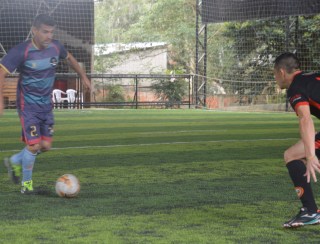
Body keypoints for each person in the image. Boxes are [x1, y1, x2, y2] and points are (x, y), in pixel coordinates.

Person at [0, 14, 91, 194]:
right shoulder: (21, 51)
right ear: (34, 31)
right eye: (45, 32)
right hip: (28, 106)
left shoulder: (56, 47)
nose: (49, 36)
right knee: (34, 145)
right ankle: (26, 186)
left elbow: (71, 59)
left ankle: (14, 161)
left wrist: (84, 76)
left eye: (51, 32)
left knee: (45, 146)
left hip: (46, 105)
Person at [274, 52, 320, 228]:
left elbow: (305, 119)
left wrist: (310, 156)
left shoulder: (295, 87)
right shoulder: (312, 77)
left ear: (282, 72)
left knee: (292, 155)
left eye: (274, 74)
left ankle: (310, 211)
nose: (276, 79)